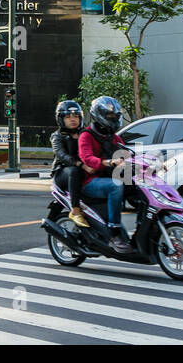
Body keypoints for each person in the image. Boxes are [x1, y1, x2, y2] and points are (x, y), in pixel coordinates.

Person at [78, 96, 132, 252]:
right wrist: (108, 162)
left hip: (107, 177)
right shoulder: (86, 135)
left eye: (115, 116)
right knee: (116, 186)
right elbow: (86, 158)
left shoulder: (113, 137)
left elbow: (126, 154)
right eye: (109, 116)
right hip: (90, 181)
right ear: (99, 115)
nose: (113, 119)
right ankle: (114, 233)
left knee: (137, 186)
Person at [51, 100, 90, 228]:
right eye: (68, 117)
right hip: (63, 173)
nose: (72, 119)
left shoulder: (85, 134)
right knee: (74, 171)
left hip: (83, 171)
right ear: (61, 119)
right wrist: (80, 164)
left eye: (76, 116)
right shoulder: (57, 136)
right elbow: (61, 155)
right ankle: (75, 210)